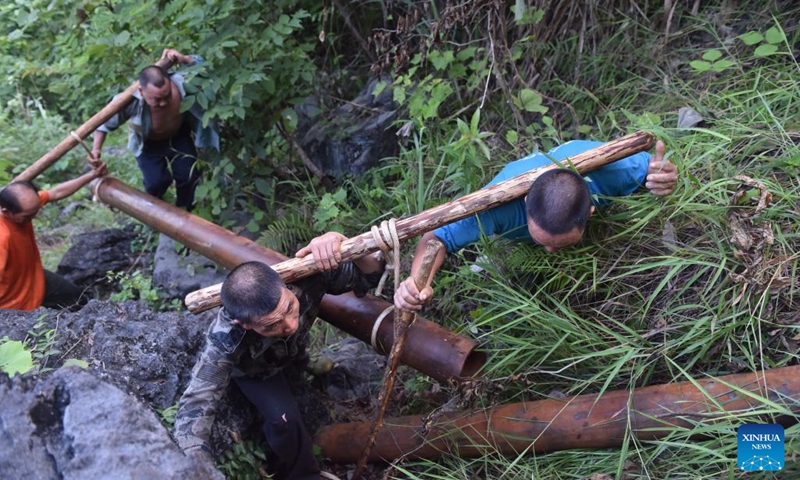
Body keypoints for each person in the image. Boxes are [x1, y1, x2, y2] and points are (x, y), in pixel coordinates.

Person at [173, 232, 383, 480]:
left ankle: (303, 362)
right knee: (285, 420)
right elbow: (196, 402)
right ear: (245, 324)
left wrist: (344, 243)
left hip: (294, 351)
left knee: (297, 344)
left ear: (285, 286)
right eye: (271, 325)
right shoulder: (226, 338)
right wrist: (196, 465)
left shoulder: (307, 276)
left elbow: (371, 276)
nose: (290, 323)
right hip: (257, 372)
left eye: (290, 308)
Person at [394, 139, 679, 311]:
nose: (551, 252)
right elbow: (437, 237)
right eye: (541, 240)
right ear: (526, 202)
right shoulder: (495, 208)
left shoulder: (619, 171)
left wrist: (661, 179)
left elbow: (657, 170)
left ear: (592, 211)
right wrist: (417, 282)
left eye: (561, 243)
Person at [91, 48, 219, 209]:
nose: (164, 103)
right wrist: (96, 150)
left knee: (189, 176)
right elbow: (103, 124)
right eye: (157, 100)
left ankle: (185, 211)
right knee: (156, 183)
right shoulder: (128, 101)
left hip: (178, 135)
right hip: (148, 144)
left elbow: (206, 69)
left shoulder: (182, 84)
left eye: (167, 96)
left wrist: (185, 59)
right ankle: (156, 212)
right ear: (141, 92)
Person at [0, 161, 108, 311]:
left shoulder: (25, 205)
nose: (34, 217)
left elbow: (57, 192)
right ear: (6, 211)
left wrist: (93, 175)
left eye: (36, 210)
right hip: (13, 303)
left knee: (75, 297)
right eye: (28, 216)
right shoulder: (2, 237)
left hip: (32, 277)